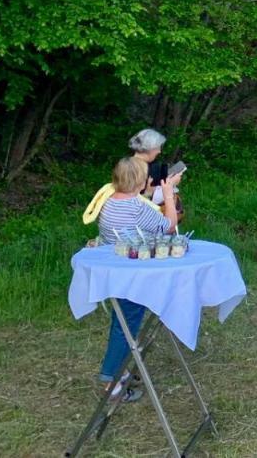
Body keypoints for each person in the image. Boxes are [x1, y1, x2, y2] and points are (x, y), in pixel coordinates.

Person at [96, 155, 182, 401]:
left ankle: (120, 371)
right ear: (141, 181)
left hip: (116, 273)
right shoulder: (137, 207)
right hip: (135, 278)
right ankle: (111, 380)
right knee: (127, 326)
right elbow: (169, 225)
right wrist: (168, 194)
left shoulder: (110, 202)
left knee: (121, 323)